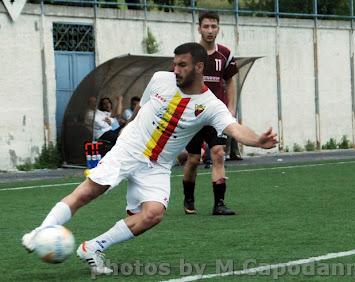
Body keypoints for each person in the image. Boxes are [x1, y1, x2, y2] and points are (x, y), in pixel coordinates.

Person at [22, 42, 278, 275]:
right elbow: (142, 109)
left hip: (157, 165)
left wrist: (257, 140)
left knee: (153, 214)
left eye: (182, 65)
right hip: (130, 148)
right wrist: (123, 132)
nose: (175, 69)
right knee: (89, 192)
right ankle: (40, 232)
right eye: (174, 64)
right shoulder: (159, 79)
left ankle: (92, 248)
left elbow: (234, 128)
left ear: (199, 67)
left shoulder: (211, 105)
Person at [182, 11, 240, 216]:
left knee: (218, 154)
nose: (209, 30)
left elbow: (230, 80)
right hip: (193, 115)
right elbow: (178, 81)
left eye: (213, 26)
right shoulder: (189, 55)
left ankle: (219, 203)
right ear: (199, 28)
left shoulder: (225, 54)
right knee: (193, 159)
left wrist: (231, 108)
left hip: (217, 115)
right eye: (206, 26)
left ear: (218, 28)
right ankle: (188, 198)